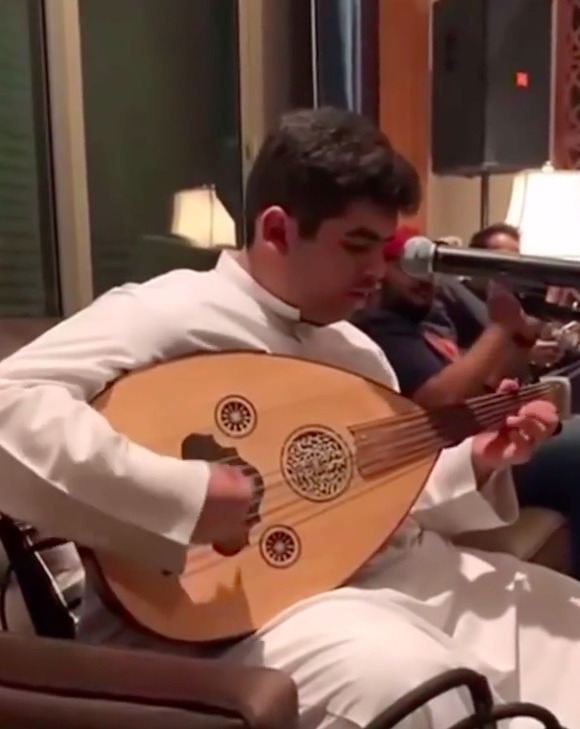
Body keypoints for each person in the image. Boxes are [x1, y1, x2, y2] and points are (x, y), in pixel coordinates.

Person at [0, 107, 576, 729]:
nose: (377, 272)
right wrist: (184, 495)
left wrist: (476, 463)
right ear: (277, 229)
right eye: (356, 246)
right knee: (416, 682)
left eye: (382, 248)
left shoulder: (354, 350)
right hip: (231, 621)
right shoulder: (169, 311)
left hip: (384, 580)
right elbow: (8, 405)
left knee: (564, 623)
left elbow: (362, 501)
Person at [353, 243, 580, 579]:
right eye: (405, 266)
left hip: (493, 450)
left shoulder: (431, 327)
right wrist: (502, 327)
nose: (424, 279)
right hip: (456, 471)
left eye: (429, 271)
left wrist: (523, 335)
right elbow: (436, 407)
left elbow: (492, 381)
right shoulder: (380, 329)